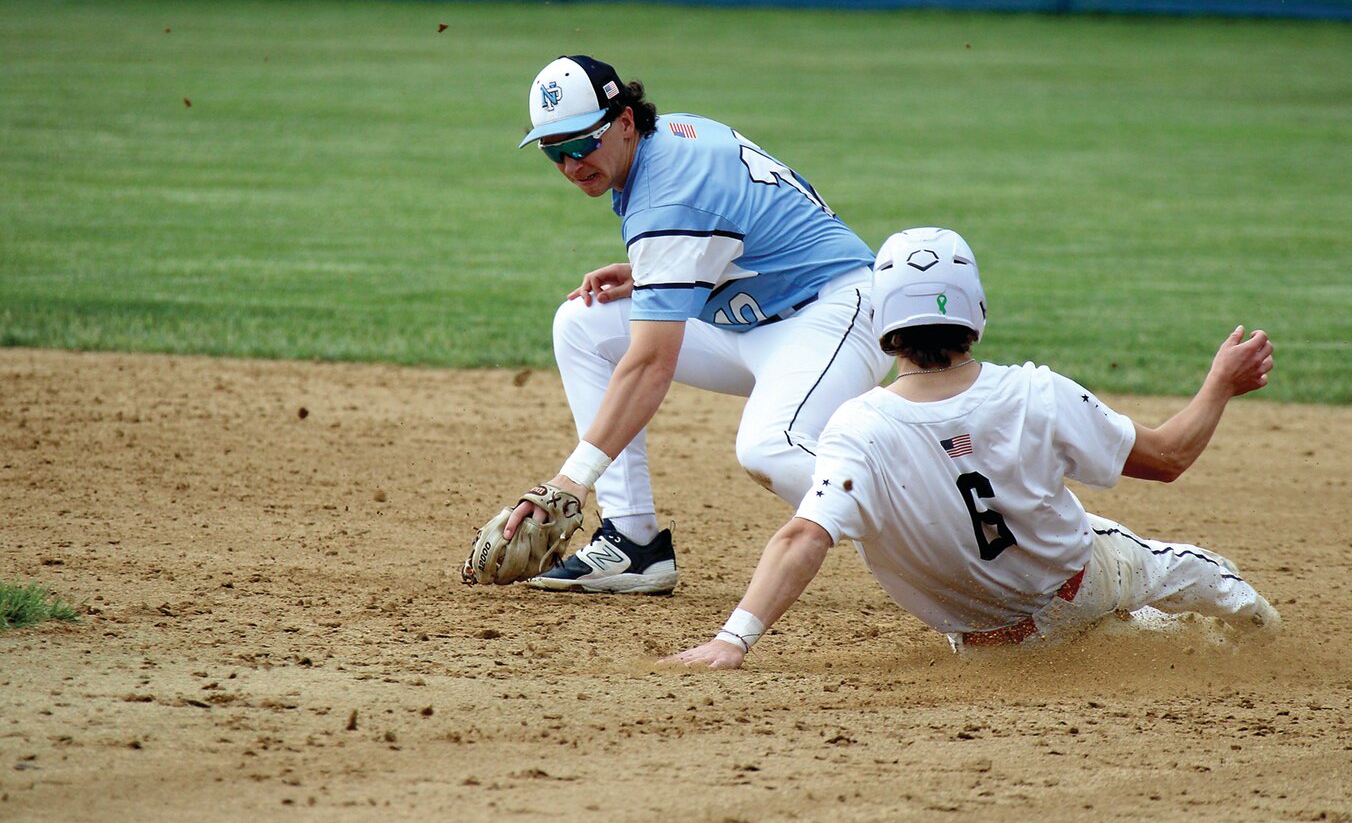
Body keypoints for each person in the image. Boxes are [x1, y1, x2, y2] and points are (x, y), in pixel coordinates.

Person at [665, 227, 1281, 668]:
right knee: (1194, 572)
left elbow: (804, 538)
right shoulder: (1036, 391)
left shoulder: (856, 427)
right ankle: (1264, 638)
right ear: (976, 313)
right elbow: (1169, 458)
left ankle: (1130, 634)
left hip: (983, 643)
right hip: (1077, 587)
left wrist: (733, 638)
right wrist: (1220, 385)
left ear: (883, 325)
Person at [497, 55, 891, 594]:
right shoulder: (668, 140)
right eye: (554, 151)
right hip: (755, 316)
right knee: (582, 325)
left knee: (770, 447)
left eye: (581, 144)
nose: (570, 165)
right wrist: (655, 274)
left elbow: (650, 365)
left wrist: (570, 483)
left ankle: (956, 532)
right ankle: (631, 545)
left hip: (832, 312)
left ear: (626, 122)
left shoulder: (668, 197)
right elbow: (737, 227)